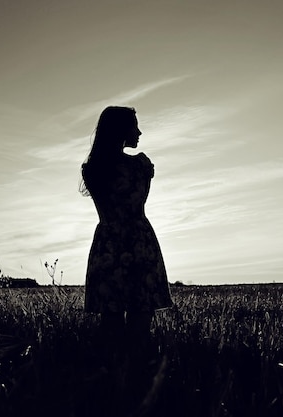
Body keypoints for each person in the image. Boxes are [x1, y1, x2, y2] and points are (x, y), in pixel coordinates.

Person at [80, 106, 173, 370]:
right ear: (121, 130)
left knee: (111, 316)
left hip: (108, 242)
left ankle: (112, 376)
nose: (139, 131)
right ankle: (138, 374)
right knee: (141, 314)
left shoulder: (92, 168)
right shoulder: (140, 165)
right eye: (134, 125)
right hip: (138, 240)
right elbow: (138, 201)